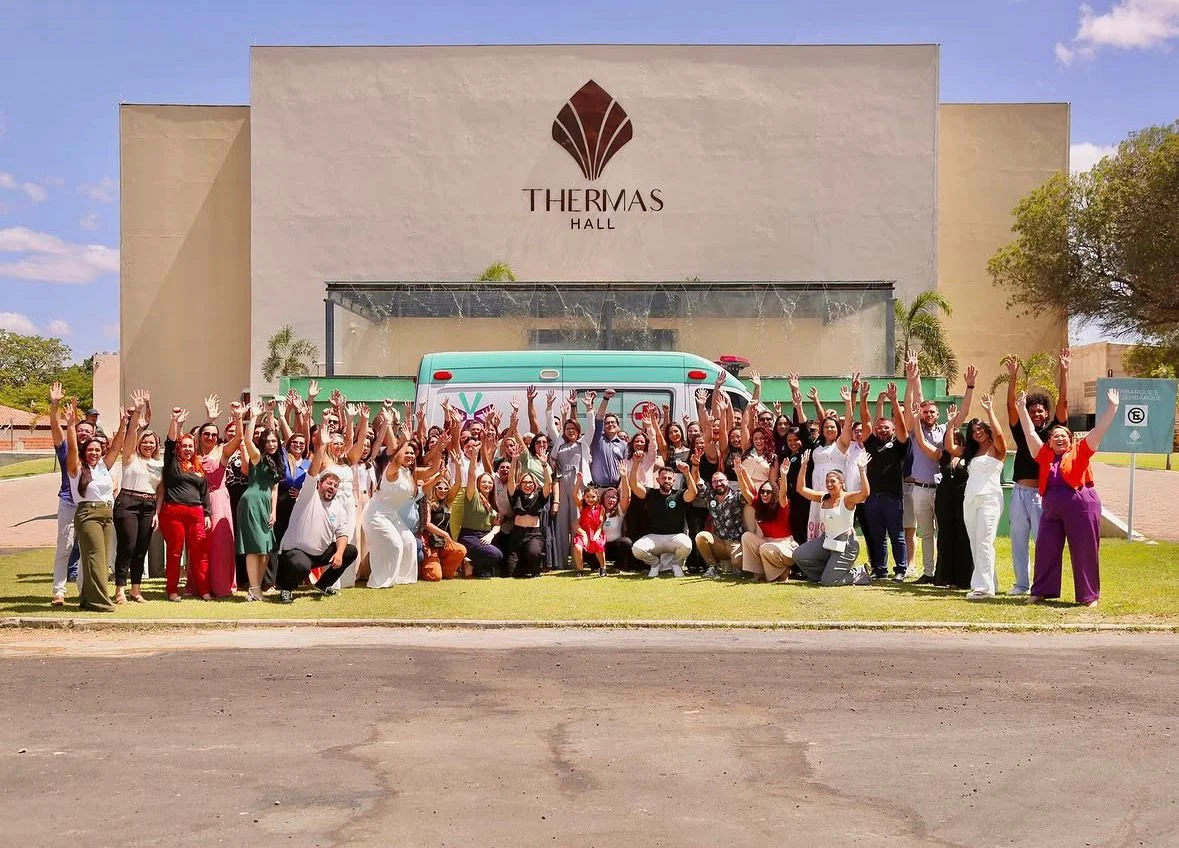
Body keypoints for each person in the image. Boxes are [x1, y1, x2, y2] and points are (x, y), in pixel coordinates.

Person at [1019, 388, 1119, 607]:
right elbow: (1030, 433)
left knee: (1084, 550)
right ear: (1049, 441)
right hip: (1051, 508)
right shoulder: (1044, 454)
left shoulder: (1081, 450)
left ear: (1071, 440)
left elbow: (1098, 431)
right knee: (1045, 548)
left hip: (1082, 506)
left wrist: (1113, 408)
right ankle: (1041, 591)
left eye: (1063, 436)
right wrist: (1021, 408)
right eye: (1055, 436)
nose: (1059, 438)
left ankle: (1089, 596)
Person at [904, 355, 976, 583]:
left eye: (932, 412)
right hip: (920, 489)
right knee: (926, 533)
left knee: (945, 532)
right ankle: (928, 572)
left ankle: (945, 572)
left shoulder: (946, 430)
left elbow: (964, 413)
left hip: (944, 490)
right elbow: (915, 402)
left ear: (938, 414)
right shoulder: (915, 430)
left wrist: (970, 387)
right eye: (925, 412)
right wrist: (913, 378)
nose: (929, 415)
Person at [1005, 349, 1070, 596]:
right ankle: (1021, 584)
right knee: (1018, 540)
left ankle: (1041, 585)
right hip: (1019, 492)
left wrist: (1064, 370)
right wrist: (1013, 376)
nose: (1036, 414)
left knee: (1043, 542)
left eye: (1040, 411)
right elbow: (1011, 406)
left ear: (1046, 413)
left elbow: (1063, 404)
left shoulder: (1055, 432)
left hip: (1042, 494)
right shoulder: (1022, 429)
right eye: (1032, 411)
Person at [274, 423, 358, 604]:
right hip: (296, 552)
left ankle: (323, 585)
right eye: (329, 483)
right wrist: (321, 446)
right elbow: (313, 472)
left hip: (319, 554)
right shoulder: (308, 495)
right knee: (301, 566)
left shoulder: (337, 506)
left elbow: (342, 533)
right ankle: (286, 588)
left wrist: (339, 554)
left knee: (350, 551)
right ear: (319, 484)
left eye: (335, 485)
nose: (332, 487)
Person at [64, 399, 128, 611]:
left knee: (103, 557)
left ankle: (87, 599)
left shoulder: (102, 466)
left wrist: (124, 424)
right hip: (88, 514)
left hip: (106, 514)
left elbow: (117, 447)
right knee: (95, 558)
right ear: (84, 452)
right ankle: (100, 601)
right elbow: (73, 448)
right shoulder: (76, 467)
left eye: (97, 450)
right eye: (90, 450)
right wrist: (71, 425)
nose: (94, 453)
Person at [942, 392, 1008, 599]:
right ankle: (990, 582)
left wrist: (990, 411)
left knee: (984, 542)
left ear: (987, 430)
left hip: (990, 499)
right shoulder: (970, 452)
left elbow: (999, 435)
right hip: (970, 500)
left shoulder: (997, 449)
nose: (977, 432)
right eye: (973, 430)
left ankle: (983, 588)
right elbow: (949, 447)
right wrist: (950, 424)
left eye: (980, 428)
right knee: (975, 542)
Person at [792, 450, 873, 585]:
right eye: (827, 481)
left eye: (832, 481)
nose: (829, 484)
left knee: (829, 582)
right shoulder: (824, 497)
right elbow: (801, 489)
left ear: (841, 483)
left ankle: (859, 573)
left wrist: (861, 469)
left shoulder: (848, 498)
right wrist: (804, 466)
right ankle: (827, 574)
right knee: (799, 555)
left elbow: (865, 493)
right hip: (826, 540)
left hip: (845, 544)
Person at [157, 407, 212, 602]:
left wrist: (207, 514)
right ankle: (172, 590)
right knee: (175, 553)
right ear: (179, 448)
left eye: (191, 446)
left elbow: (205, 493)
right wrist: (174, 420)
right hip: (173, 512)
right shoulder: (172, 463)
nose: (187, 449)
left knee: (200, 553)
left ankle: (204, 590)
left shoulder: (198, 467)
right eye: (184, 446)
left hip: (196, 513)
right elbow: (170, 441)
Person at [364, 418, 426, 587]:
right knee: (395, 544)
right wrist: (405, 441)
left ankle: (403, 578)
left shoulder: (408, 473)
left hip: (392, 515)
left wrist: (439, 451)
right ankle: (381, 581)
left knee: (408, 541)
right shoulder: (392, 469)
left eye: (412, 453)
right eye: (407, 452)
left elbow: (430, 471)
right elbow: (397, 460)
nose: (410, 456)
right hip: (376, 514)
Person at [196, 395, 246, 597]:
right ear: (200, 436)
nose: (210, 437)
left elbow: (239, 438)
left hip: (218, 499)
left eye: (214, 435)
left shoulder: (222, 451)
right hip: (197, 501)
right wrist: (210, 418)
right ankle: (200, 585)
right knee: (200, 543)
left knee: (219, 543)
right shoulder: (194, 453)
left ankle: (221, 585)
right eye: (206, 434)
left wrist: (239, 417)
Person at [859, 381, 910, 580]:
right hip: (872, 498)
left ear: (893, 429)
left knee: (897, 535)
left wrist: (894, 401)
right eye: (879, 428)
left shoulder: (899, 445)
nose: (882, 430)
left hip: (893, 497)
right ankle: (880, 570)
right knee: (877, 536)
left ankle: (901, 570)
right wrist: (863, 398)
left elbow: (902, 426)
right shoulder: (870, 443)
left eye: (886, 427)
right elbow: (865, 421)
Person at [113, 390, 159, 603]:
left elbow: (161, 491)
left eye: (152, 443)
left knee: (141, 549)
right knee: (128, 546)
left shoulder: (159, 464)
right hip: (127, 503)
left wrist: (157, 512)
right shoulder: (130, 457)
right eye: (145, 442)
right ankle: (120, 589)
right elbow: (132, 433)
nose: (148, 445)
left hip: (149, 506)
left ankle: (136, 590)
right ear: (139, 443)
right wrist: (138, 411)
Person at [48, 381, 89, 605]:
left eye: (87, 431)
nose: (83, 434)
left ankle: (84, 589)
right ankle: (59, 591)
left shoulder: (94, 452)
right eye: (80, 430)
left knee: (87, 549)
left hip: (88, 505)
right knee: (64, 548)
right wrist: (54, 405)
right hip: (68, 503)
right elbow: (55, 429)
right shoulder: (65, 449)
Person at [236, 405, 282, 602]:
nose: (271, 444)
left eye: (274, 441)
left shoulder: (276, 461)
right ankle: (255, 590)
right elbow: (247, 440)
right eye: (268, 441)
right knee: (254, 547)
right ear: (262, 442)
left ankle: (256, 589)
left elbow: (274, 488)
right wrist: (253, 416)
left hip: (266, 506)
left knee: (266, 549)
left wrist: (273, 511)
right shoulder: (257, 457)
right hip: (252, 503)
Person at [547, 390, 592, 572]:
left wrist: (589, 408)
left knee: (577, 522)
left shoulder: (583, 444)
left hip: (578, 484)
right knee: (561, 524)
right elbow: (551, 427)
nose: (570, 431)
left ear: (578, 431)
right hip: (561, 483)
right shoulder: (559, 444)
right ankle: (560, 562)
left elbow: (592, 428)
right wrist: (549, 406)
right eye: (567, 429)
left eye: (574, 429)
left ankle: (577, 561)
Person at [629, 461, 698, 578]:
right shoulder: (650, 493)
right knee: (637, 549)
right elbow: (634, 485)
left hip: (675, 537)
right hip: (654, 538)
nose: (667, 480)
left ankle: (676, 564)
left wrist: (687, 473)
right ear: (658, 480)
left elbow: (693, 493)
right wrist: (636, 463)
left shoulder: (679, 495)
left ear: (674, 481)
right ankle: (655, 564)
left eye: (669, 478)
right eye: (664, 478)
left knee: (687, 545)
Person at [805, 383, 854, 540]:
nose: (829, 429)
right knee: (818, 523)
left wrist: (848, 402)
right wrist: (816, 400)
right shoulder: (818, 446)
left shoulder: (841, 444)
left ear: (838, 429)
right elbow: (823, 419)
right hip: (818, 489)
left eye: (833, 427)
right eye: (826, 427)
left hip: (834, 489)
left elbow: (848, 424)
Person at [736, 460, 796, 583]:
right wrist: (739, 474)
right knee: (747, 536)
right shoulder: (759, 505)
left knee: (765, 548)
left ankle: (782, 572)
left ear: (774, 493)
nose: (764, 494)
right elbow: (745, 491)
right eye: (762, 491)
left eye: (768, 492)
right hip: (767, 543)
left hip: (785, 546)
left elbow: (783, 494)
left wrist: (783, 475)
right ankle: (757, 573)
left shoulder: (781, 505)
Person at [507, 450, 553, 578]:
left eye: (530, 482)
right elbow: (510, 480)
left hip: (533, 534)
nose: (527, 485)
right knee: (511, 572)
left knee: (533, 552)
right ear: (520, 484)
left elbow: (548, 483)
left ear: (534, 484)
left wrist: (544, 464)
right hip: (517, 534)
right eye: (524, 482)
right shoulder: (516, 495)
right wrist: (514, 460)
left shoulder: (540, 496)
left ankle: (535, 569)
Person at [453, 461, 504, 578]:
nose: (487, 484)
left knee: (486, 574)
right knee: (496, 554)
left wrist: (491, 534)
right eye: (484, 482)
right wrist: (474, 455)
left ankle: (470, 564)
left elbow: (497, 524)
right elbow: (471, 475)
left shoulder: (493, 503)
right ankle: (468, 563)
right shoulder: (473, 496)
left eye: (490, 482)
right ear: (478, 484)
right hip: (469, 536)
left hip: (485, 536)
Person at [695, 470, 746, 578]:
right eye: (715, 482)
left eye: (721, 480)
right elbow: (698, 481)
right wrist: (695, 466)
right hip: (719, 543)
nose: (718, 484)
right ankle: (713, 568)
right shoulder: (710, 496)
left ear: (728, 481)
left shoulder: (737, 496)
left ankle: (737, 568)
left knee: (737, 565)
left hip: (735, 543)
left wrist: (740, 473)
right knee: (701, 536)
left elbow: (749, 494)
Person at [421, 474, 467, 580]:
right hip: (430, 541)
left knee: (461, 549)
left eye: (446, 488)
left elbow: (458, 484)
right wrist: (445, 534)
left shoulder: (447, 503)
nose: (443, 491)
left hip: (443, 542)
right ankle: (424, 568)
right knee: (435, 576)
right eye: (440, 488)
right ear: (434, 489)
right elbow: (426, 524)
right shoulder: (428, 502)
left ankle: (445, 571)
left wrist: (458, 466)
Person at [589, 388, 628, 487]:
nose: (610, 424)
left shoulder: (624, 445)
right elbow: (599, 418)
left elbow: (626, 466)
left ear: (618, 426)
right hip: (599, 489)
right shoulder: (598, 439)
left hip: (617, 489)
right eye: (607, 423)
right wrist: (606, 398)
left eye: (613, 422)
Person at [571, 471, 608, 576]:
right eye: (587, 497)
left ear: (597, 497)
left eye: (593, 497)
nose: (590, 499)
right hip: (584, 533)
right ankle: (580, 570)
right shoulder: (582, 506)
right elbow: (574, 494)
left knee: (598, 544)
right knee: (577, 547)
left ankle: (603, 568)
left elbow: (601, 524)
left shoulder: (601, 508)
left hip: (596, 532)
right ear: (584, 497)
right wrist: (578, 481)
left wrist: (597, 534)